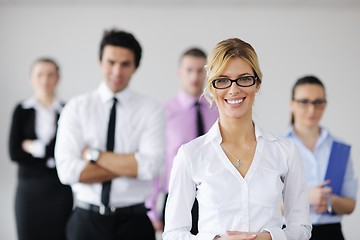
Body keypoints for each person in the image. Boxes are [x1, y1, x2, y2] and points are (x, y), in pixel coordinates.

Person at [163, 38, 312, 240]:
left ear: (257, 83)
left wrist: (269, 238)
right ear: (212, 87)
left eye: (244, 78)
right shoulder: (190, 155)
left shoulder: (285, 152)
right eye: (223, 80)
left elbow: (302, 228)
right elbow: (172, 234)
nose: (234, 90)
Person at [54, 29, 165, 240]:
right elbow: (67, 171)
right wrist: (131, 164)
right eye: (110, 62)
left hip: (135, 223)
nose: (117, 71)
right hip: (86, 222)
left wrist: (95, 155)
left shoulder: (151, 110)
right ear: (100, 62)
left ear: (135, 67)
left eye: (125, 64)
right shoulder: (76, 108)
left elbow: (151, 167)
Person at [146, 48, 219, 233]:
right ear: (180, 72)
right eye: (189, 70)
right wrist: (151, 209)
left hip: (215, 197)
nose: (195, 76)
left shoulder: (219, 111)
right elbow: (156, 161)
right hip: (178, 196)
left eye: (200, 70)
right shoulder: (164, 113)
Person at [285, 76, 357, 240]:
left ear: (325, 104)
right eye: (304, 102)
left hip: (331, 233)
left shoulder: (339, 148)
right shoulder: (278, 147)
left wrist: (330, 201)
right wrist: (305, 198)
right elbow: (270, 205)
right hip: (291, 233)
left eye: (318, 102)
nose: (311, 109)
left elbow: (351, 205)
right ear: (292, 104)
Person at [8, 58, 73, 240]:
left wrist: (34, 146)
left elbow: (68, 150)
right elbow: (14, 153)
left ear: (57, 78)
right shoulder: (22, 110)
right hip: (29, 190)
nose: (45, 80)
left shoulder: (67, 110)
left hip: (59, 190)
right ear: (31, 79)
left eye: (50, 75)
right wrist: (50, 154)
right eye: (39, 75)